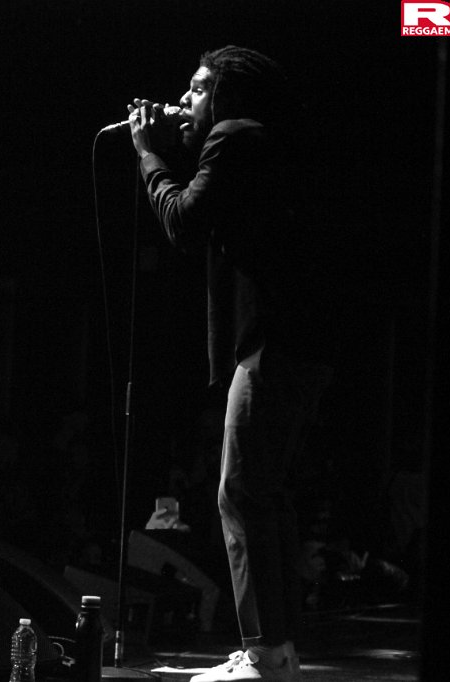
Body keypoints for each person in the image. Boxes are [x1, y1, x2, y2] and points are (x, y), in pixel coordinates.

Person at [128, 46, 328, 681]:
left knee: (240, 492)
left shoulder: (235, 136)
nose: (183, 100)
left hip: (272, 343)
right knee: (265, 495)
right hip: (295, 342)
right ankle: (279, 652)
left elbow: (183, 221)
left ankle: (265, 654)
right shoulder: (255, 145)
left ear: (226, 95)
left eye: (196, 89)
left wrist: (148, 155)